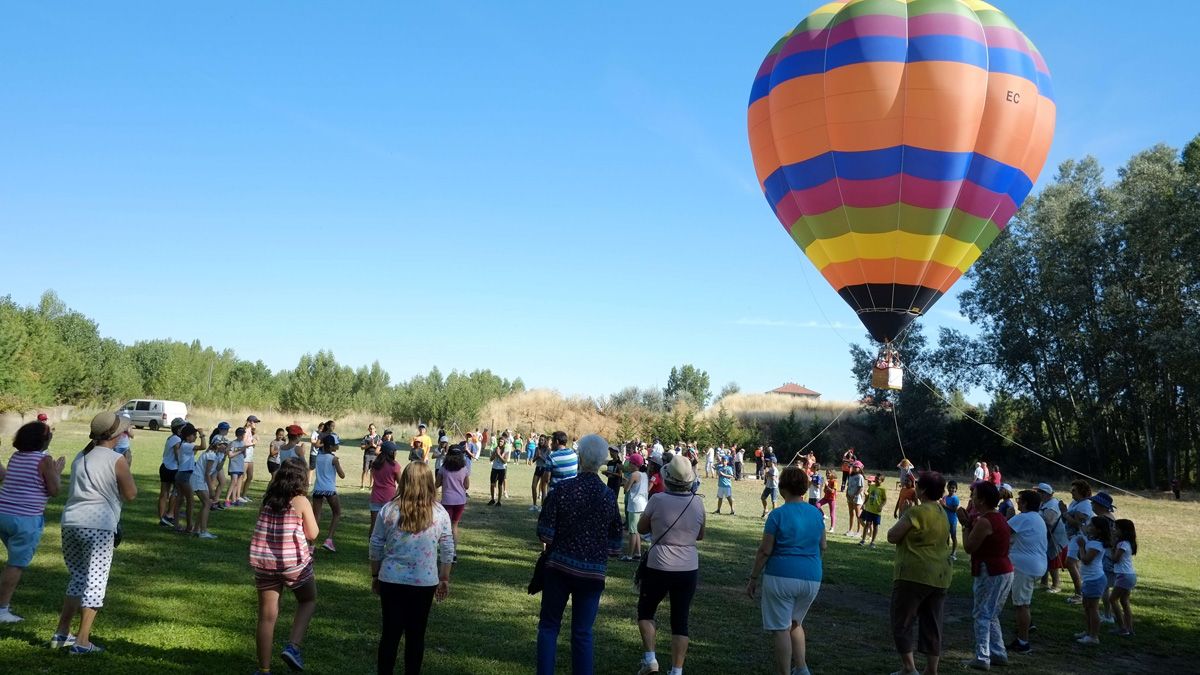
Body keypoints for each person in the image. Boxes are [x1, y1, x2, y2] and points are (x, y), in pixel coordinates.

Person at [536, 434, 624, 675]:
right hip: (592, 573)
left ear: (581, 458)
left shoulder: (563, 489)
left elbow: (544, 531)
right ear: (601, 462)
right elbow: (616, 541)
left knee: (549, 626)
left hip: (558, 569)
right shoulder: (608, 496)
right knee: (583, 633)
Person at [52, 412, 138, 654]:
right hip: (99, 525)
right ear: (116, 434)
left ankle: (61, 632)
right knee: (95, 583)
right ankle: (82, 641)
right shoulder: (116, 459)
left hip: (70, 522)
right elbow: (131, 494)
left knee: (78, 578)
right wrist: (125, 470)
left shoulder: (82, 456)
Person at [371, 461, 454, 674]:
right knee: (416, 636)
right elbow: (447, 546)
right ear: (429, 482)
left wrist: (375, 573)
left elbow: (376, 543)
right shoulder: (440, 512)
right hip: (424, 582)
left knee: (390, 634)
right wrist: (444, 577)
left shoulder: (388, 510)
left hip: (390, 580)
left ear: (405, 481)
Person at [746, 466, 825, 675]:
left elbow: (765, 551)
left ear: (782, 488)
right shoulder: (817, 514)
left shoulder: (777, 515)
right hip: (812, 577)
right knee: (795, 622)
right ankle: (801, 668)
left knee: (781, 628)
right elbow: (822, 546)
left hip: (781, 576)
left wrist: (753, 577)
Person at [635, 454, 705, 675]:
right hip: (687, 568)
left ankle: (650, 659)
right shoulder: (697, 502)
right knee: (680, 620)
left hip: (659, 564)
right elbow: (701, 535)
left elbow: (641, 528)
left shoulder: (657, 500)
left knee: (646, 611)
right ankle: (676, 670)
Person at [249, 459, 318, 674]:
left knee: (267, 617)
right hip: (293, 564)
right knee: (308, 600)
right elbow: (313, 534)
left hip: (265, 564)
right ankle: (293, 646)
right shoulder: (300, 501)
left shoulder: (268, 500)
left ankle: (264, 669)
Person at [886, 471, 952, 675]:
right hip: (940, 576)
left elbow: (892, 536)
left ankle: (909, 668)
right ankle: (932, 670)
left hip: (913, 575)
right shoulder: (943, 512)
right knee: (932, 624)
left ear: (921, 489)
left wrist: (906, 512)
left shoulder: (915, 513)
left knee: (903, 622)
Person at [0, 421, 65, 623]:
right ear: (42, 440)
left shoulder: (16, 456)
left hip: (4, 513)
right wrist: (57, 471)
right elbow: (54, 491)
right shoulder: (45, 460)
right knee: (15, 565)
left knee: (13, 559)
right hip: (25, 520)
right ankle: (2, 610)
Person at [961, 481, 1013, 670]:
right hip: (1004, 569)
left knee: (982, 614)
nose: (972, 498)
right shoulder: (999, 517)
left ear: (982, 500)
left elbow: (969, 547)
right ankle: (998, 653)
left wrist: (965, 526)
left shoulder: (985, 521)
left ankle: (982, 657)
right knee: (992, 614)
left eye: (974, 495)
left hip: (990, 570)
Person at [1005, 490, 1047, 655]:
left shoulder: (1022, 518)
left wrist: (1008, 516)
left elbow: (1002, 532)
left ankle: (1023, 642)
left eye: (1020, 500)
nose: (1017, 502)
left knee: (1021, 605)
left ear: (1026, 503)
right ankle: (1026, 628)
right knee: (1022, 602)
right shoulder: (1038, 518)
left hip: (1024, 567)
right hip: (1036, 565)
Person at [1074, 516, 1114, 645]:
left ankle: (1094, 636)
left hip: (1095, 579)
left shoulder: (1097, 544)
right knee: (1087, 607)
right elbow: (1081, 556)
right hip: (1089, 579)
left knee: (1093, 608)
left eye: (1091, 526)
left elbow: (1086, 559)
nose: (1089, 527)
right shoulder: (1092, 541)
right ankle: (1088, 631)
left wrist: (1081, 546)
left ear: (1099, 530)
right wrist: (1082, 547)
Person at [1061, 480, 1094, 605]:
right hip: (1073, 537)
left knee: (1070, 562)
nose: (1071, 492)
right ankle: (1082, 592)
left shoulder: (1085, 504)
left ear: (1082, 491)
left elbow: (1079, 523)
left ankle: (1079, 594)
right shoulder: (1075, 502)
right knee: (1077, 565)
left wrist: (1064, 513)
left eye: (1074, 490)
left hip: (1080, 537)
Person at [312, 434, 346, 552]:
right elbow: (342, 475)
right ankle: (329, 539)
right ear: (331, 446)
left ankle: (311, 544)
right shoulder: (333, 459)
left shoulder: (318, 457)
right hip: (330, 489)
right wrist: (337, 464)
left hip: (317, 488)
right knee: (337, 513)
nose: (337, 446)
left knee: (316, 516)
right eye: (336, 444)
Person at [436, 447, 470, 562]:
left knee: (444, 527)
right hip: (460, 501)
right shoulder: (464, 469)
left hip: (447, 501)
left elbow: (437, 484)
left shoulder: (443, 468)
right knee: (454, 526)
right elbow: (467, 486)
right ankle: (453, 553)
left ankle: (444, 551)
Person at [172, 424, 207, 534]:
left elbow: (195, 452)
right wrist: (202, 434)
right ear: (187, 437)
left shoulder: (185, 445)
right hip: (184, 475)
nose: (196, 437)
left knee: (180, 500)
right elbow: (203, 447)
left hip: (180, 474)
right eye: (194, 435)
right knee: (190, 501)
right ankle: (189, 527)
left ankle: (176, 524)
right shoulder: (187, 445)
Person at [1035, 484, 1068, 593]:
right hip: (1048, 536)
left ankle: (1056, 585)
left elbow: (1049, 522)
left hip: (1056, 537)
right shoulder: (1044, 503)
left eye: (1039, 491)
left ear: (1045, 494)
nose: (1037, 493)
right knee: (1046, 558)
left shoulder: (1052, 505)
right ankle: (1044, 583)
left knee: (1053, 560)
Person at [369, 441, 403, 538]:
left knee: (374, 526)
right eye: (395, 451)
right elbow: (401, 483)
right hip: (389, 498)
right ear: (391, 452)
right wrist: (397, 494)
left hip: (375, 497)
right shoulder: (394, 465)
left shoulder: (375, 464)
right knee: (390, 526)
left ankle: (371, 548)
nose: (396, 453)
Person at [1109, 519, 1137, 637]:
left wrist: (1111, 549)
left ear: (1124, 531)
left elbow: (1115, 559)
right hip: (1130, 575)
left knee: (1112, 599)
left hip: (1123, 575)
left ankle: (1122, 628)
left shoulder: (1122, 544)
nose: (1114, 530)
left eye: (1116, 528)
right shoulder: (1128, 543)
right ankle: (1129, 628)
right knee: (1124, 601)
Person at [157, 417, 187, 527]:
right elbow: (177, 454)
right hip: (173, 468)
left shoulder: (171, 437)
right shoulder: (177, 440)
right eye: (183, 427)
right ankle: (169, 516)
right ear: (179, 429)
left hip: (165, 466)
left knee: (164, 493)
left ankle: (162, 517)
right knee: (176, 492)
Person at [623, 454, 649, 562]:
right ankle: (638, 553)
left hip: (634, 505)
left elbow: (626, 490)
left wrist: (625, 481)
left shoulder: (633, 474)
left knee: (632, 531)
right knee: (637, 531)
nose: (628, 464)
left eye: (630, 462)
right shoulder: (644, 474)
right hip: (643, 505)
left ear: (634, 464)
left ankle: (629, 555)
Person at [859, 473, 887, 548]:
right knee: (867, 524)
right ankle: (863, 540)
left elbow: (884, 500)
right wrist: (864, 504)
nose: (877, 480)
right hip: (869, 509)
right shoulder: (871, 486)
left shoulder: (883, 489)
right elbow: (868, 496)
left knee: (875, 526)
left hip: (877, 511)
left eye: (878, 479)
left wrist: (881, 506)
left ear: (882, 481)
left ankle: (873, 542)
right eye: (876, 479)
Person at [226, 426, 249, 507]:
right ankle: (227, 499)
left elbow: (244, 455)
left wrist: (244, 451)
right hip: (233, 466)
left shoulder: (243, 443)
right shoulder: (232, 443)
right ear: (238, 435)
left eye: (244, 435)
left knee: (236, 483)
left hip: (240, 465)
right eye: (242, 435)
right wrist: (240, 451)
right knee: (233, 482)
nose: (243, 436)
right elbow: (230, 455)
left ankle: (234, 499)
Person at [940, 481, 961, 561]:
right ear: (947, 487)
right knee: (946, 536)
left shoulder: (955, 499)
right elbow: (942, 506)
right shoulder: (945, 497)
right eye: (950, 487)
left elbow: (954, 510)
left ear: (956, 489)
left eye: (953, 488)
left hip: (952, 520)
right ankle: (946, 552)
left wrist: (945, 505)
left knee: (953, 536)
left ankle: (954, 553)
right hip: (945, 520)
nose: (951, 489)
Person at [530, 434, 551, 511]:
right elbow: (533, 460)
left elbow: (547, 460)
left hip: (544, 469)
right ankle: (534, 505)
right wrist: (537, 456)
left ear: (545, 441)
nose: (541, 441)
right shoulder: (537, 448)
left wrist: (540, 456)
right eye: (540, 440)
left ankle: (542, 506)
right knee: (533, 486)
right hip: (538, 468)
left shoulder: (548, 450)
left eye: (542, 440)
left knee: (543, 488)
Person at [844, 461, 865, 537]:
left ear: (860, 468)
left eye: (857, 467)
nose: (855, 468)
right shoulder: (851, 476)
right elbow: (848, 486)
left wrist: (855, 495)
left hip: (857, 498)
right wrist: (847, 493)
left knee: (858, 515)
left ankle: (859, 531)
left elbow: (861, 488)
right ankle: (850, 530)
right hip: (849, 497)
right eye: (854, 467)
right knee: (851, 513)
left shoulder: (860, 476)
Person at [489, 437, 510, 507]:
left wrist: (499, 455)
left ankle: (499, 501)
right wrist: (495, 454)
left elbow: (505, 461)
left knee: (500, 485)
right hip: (494, 468)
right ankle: (492, 499)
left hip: (502, 469)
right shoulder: (495, 449)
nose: (500, 443)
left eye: (502, 442)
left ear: (504, 443)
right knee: (492, 484)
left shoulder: (506, 450)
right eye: (499, 441)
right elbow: (491, 459)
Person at [360, 423, 382, 490]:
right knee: (365, 470)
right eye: (370, 428)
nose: (371, 430)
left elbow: (380, 447)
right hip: (367, 455)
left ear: (375, 429)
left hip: (375, 456)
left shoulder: (378, 437)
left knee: (373, 471)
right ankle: (362, 485)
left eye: (373, 428)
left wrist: (374, 445)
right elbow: (362, 447)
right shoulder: (366, 437)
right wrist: (369, 445)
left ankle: (371, 486)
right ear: (368, 429)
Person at [243, 415, 261, 493]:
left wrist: (255, 438)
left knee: (250, 477)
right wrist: (253, 443)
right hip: (245, 455)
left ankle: (243, 495)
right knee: (242, 477)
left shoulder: (250, 431)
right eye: (255, 422)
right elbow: (243, 443)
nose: (256, 424)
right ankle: (238, 496)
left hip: (250, 456)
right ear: (250, 422)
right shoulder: (246, 430)